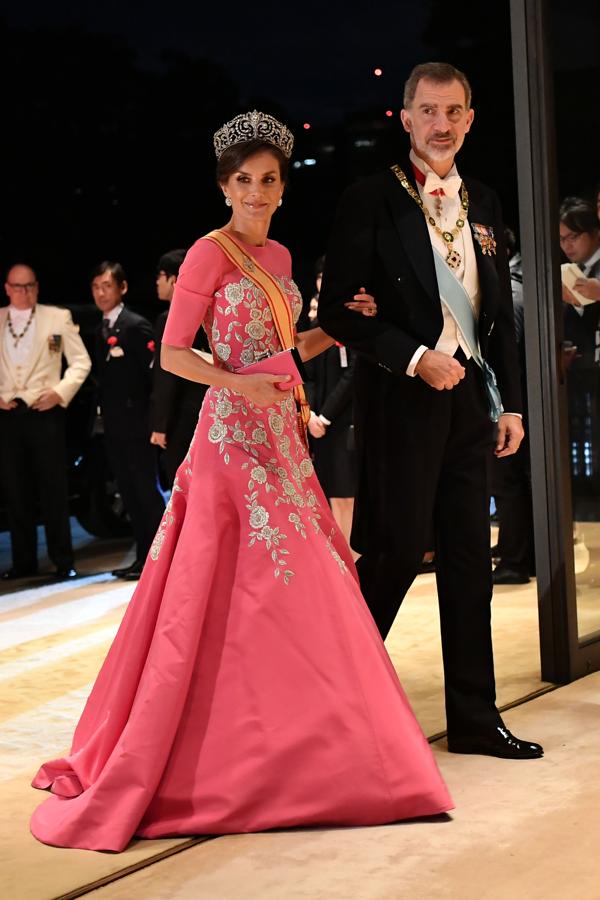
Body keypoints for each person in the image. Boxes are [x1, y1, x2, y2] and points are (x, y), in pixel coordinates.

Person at [30, 111, 452, 852]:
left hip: (282, 443)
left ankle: (313, 750)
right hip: (230, 441)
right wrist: (240, 386)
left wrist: (347, 325)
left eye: (269, 181)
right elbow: (174, 355)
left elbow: (290, 347)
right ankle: (235, 752)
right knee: (233, 591)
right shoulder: (206, 255)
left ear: (284, 187)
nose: (256, 192)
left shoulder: (284, 258)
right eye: (243, 181)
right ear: (225, 185)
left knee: (304, 588)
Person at [318, 62, 543, 760]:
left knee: (471, 560)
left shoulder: (488, 201)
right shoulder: (368, 199)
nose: (441, 125)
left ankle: (475, 719)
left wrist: (505, 403)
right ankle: (334, 710)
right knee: (391, 554)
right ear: (405, 117)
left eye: (454, 112)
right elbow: (337, 313)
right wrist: (416, 356)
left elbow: (496, 318)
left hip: (472, 405)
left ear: (470, 119)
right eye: (428, 111)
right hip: (402, 403)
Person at [0, 264, 91, 580]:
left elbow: (81, 361)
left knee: (53, 487)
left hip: (46, 412)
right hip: (8, 415)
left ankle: (63, 559)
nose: (23, 292)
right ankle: (24, 562)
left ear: (37, 288)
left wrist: (59, 392)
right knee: (15, 490)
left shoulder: (56, 317)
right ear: (7, 288)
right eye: (17, 287)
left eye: (29, 286)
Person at [91, 261, 165, 580]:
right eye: (96, 287)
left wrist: (155, 422)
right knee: (129, 492)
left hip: (139, 425)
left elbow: (153, 378)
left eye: (107, 286)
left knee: (146, 492)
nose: (101, 293)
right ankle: (142, 556)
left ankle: (160, 558)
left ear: (122, 288)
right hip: (115, 426)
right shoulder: (100, 329)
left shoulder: (135, 325)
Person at [491, 229, 535, 584]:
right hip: (521, 401)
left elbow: (507, 358)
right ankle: (517, 552)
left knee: (508, 481)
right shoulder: (516, 286)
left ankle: (515, 560)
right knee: (512, 480)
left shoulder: (512, 291)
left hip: (513, 403)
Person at [305, 256, 358, 547]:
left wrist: (324, 416)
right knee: (328, 494)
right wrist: (310, 413)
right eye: (320, 277)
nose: (323, 283)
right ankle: (339, 559)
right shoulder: (314, 322)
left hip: (343, 421)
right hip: (319, 425)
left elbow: (353, 374)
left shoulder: (353, 321)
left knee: (345, 495)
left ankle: (351, 559)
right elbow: (307, 374)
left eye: (329, 278)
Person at [150, 249, 210, 487]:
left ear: (174, 280)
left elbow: (166, 377)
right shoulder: (206, 312)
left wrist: (160, 425)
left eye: (160, 276)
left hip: (181, 418)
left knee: (184, 487)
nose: (157, 282)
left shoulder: (170, 317)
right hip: (207, 412)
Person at [560, 199, 600, 513]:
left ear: (594, 234)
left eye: (574, 237)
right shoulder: (571, 271)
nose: (568, 245)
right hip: (580, 369)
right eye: (562, 239)